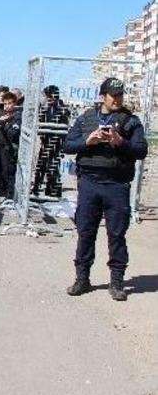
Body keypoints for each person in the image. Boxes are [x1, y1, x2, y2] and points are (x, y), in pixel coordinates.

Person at [63, 78, 147, 302]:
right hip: (89, 183)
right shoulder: (86, 118)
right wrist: (87, 141)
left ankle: (117, 282)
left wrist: (120, 142)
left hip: (116, 185)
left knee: (117, 235)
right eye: (113, 95)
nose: (117, 99)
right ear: (103, 96)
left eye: (120, 95)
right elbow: (68, 145)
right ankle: (82, 278)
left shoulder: (130, 121)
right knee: (86, 233)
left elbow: (141, 150)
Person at [32, 85, 70, 198]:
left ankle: (53, 191)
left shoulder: (60, 108)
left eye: (46, 95)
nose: (44, 98)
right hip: (46, 142)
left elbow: (62, 127)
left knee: (52, 168)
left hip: (55, 143)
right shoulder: (48, 107)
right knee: (42, 167)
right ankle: (38, 190)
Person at [0, 92, 22, 201]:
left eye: (10, 103)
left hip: (14, 150)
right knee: (6, 173)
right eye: (5, 104)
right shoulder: (6, 116)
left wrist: (5, 123)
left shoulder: (17, 116)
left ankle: (12, 197)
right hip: (6, 149)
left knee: (12, 174)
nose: (7, 106)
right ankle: (9, 196)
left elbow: (13, 133)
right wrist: (0, 123)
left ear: (15, 103)